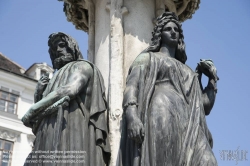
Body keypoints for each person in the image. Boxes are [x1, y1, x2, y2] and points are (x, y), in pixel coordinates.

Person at [120, 12, 218, 166]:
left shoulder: (189, 72)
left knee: (208, 161)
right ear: (160, 33)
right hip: (161, 113)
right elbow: (132, 87)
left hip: (189, 121)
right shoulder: (148, 59)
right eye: (168, 29)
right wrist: (132, 116)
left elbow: (204, 106)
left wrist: (212, 81)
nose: (173, 32)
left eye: (176, 30)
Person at [22, 32, 110, 165]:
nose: (58, 50)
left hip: (70, 126)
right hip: (47, 130)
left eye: (62, 45)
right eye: (54, 48)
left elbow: (70, 89)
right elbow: (41, 116)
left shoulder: (82, 66)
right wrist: (38, 94)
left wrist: (34, 108)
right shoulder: (56, 76)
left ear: (72, 47)